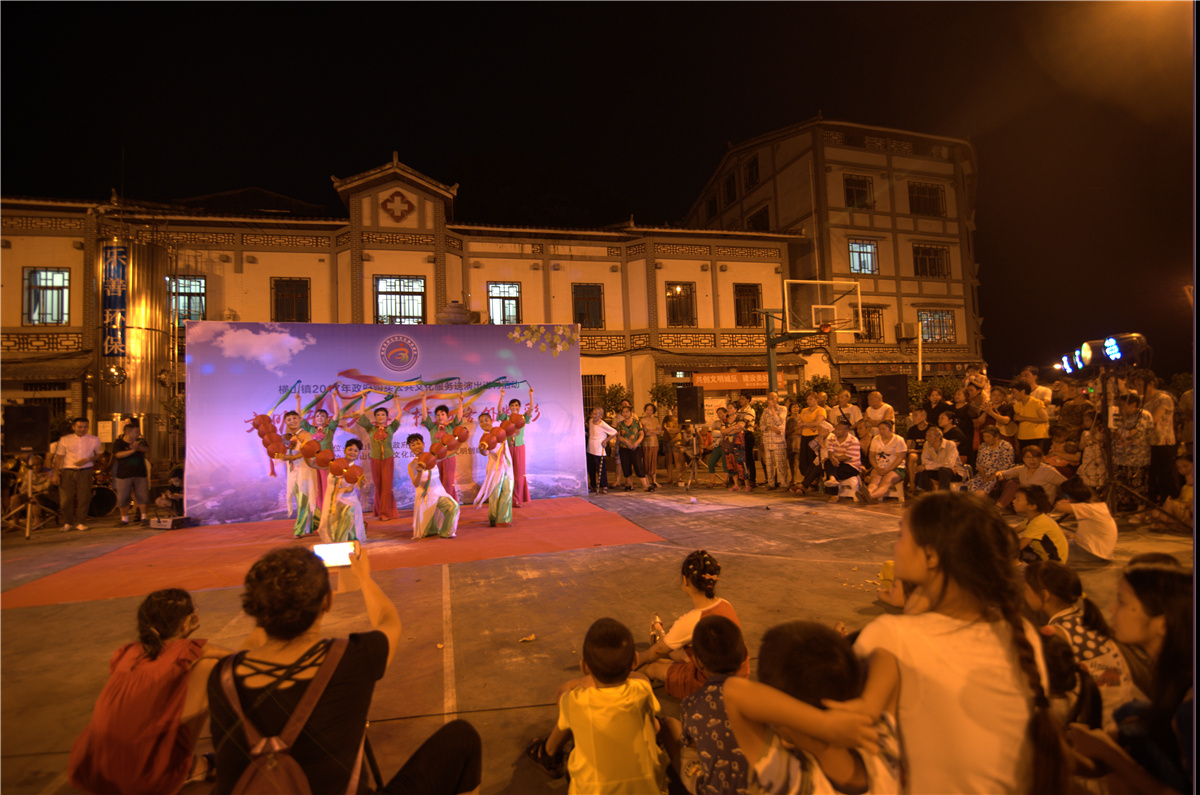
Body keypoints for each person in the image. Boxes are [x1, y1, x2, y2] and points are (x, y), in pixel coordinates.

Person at [207, 546, 481, 795]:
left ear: (257, 608)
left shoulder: (223, 677)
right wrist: (364, 578)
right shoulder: (353, 658)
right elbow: (389, 621)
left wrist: (273, 601)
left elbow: (252, 646)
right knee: (462, 739)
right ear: (327, 602)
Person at [849, 491, 1067, 795]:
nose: (895, 546)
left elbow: (849, 741)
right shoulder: (1022, 633)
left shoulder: (892, 636)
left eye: (901, 535)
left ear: (933, 555)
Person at [68, 589, 231, 795]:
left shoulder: (127, 652)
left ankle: (182, 763)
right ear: (187, 622)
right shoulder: (187, 649)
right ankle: (183, 766)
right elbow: (238, 658)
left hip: (95, 771)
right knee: (211, 669)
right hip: (142, 779)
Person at [725, 621, 899, 795]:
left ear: (781, 726)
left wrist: (825, 725)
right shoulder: (880, 754)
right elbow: (884, 658)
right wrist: (867, 708)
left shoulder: (794, 782)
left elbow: (733, 692)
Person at [1067, 564, 1193, 795]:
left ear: (1162, 623)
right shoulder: (1168, 676)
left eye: (1122, 602)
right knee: (1131, 716)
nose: (1112, 609)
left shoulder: (1190, 706)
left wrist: (1109, 753)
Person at [525, 618, 669, 793]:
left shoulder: (576, 700)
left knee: (572, 723)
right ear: (635, 661)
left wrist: (583, 681)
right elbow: (652, 720)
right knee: (661, 724)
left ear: (584, 667)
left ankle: (549, 753)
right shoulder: (642, 690)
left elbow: (561, 694)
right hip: (650, 790)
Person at [1022, 561, 1138, 732]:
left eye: (1026, 589)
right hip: (1122, 706)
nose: (1023, 594)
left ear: (1044, 595)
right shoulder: (1085, 618)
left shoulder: (1055, 634)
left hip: (1099, 721)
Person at [637, 550, 751, 700]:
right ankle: (661, 635)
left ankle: (659, 635)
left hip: (711, 686)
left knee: (652, 666)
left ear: (686, 581)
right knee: (677, 650)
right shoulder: (725, 604)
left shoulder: (693, 620)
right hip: (739, 675)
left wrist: (634, 660)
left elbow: (657, 652)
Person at [660, 615, 752, 795]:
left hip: (710, 789)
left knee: (669, 726)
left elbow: (691, 746)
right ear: (743, 654)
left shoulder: (692, 702)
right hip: (760, 786)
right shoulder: (760, 697)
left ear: (699, 663)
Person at [51, 416, 104, 532]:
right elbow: (59, 458)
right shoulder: (65, 440)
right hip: (68, 470)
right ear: (73, 427)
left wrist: (88, 459)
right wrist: (55, 474)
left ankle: (81, 521)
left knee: (83, 497)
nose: (82, 429)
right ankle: (67, 522)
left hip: (85, 470)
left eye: (85, 427)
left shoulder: (94, 439)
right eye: (80, 427)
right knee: (66, 498)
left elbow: (99, 454)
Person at [1134, 372, 1179, 506]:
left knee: (1164, 476)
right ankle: (1152, 505)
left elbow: (1153, 419)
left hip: (1162, 442)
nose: (1137, 387)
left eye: (1140, 384)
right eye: (1135, 384)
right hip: (1147, 444)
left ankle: (1169, 506)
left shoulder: (1163, 398)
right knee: (1151, 478)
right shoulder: (1141, 400)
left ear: (1151, 384)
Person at [275, 410, 321, 538]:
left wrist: (291, 458)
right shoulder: (289, 437)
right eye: (289, 420)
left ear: (300, 420)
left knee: (303, 500)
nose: (292, 421)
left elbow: (308, 452)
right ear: (285, 422)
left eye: (294, 418)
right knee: (304, 500)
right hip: (293, 471)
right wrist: (282, 455)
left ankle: (299, 529)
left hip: (305, 470)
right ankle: (323, 522)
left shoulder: (306, 435)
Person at [357, 395, 403, 521]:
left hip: (388, 459)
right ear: (375, 417)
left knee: (387, 486)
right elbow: (361, 414)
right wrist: (364, 399)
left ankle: (385, 513)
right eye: (378, 415)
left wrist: (396, 400)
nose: (380, 417)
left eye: (383, 415)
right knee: (378, 486)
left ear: (387, 417)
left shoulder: (391, 428)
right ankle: (378, 510)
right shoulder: (370, 428)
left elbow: (400, 413)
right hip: (375, 459)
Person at [407, 433, 459, 539]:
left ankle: (445, 532)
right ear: (410, 448)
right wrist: (419, 472)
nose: (416, 446)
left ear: (424, 444)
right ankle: (432, 528)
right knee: (428, 532)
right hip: (424, 496)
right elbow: (416, 484)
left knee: (453, 506)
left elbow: (452, 451)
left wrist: (459, 440)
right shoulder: (412, 465)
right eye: (413, 445)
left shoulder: (432, 457)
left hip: (438, 492)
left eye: (418, 443)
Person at [1053, 477, 1118, 562]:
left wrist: (1065, 500)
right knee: (1061, 537)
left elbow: (1059, 505)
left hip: (1091, 553)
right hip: (1100, 551)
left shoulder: (1087, 508)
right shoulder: (1098, 506)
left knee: (1048, 549)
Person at [421, 391, 465, 505]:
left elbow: (459, 417)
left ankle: (451, 506)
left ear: (447, 416)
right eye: (438, 415)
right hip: (435, 459)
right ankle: (438, 505)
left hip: (450, 457)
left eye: (443, 414)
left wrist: (461, 402)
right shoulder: (432, 427)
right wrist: (423, 399)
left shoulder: (451, 427)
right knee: (437, 482)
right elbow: (425, 416)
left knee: (449, 481)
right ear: (435, 416)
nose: (441, 417)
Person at [1111, 392, 1153, 513]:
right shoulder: (1118, 416)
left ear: (1133, 404)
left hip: (1137, 457)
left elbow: (1133, 433)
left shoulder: (1143, 415)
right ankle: (1123, 507)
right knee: (1120, 483)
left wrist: (1119, 435)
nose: (1120, 408)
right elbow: (1112, 433)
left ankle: (1140, 510)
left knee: (1138, 485)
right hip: (1119, 457)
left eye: (1123, 405)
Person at [319, 439, 366, 544]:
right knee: (328, 522)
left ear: (359, 453)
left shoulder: (356, 470)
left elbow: (350, 489)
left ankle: (342, 540)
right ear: (344, 450)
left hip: (348, 500)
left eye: (356, 451)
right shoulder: (335, 464)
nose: (352, 452)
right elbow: (315, 465)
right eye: (350, 449)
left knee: (348, 513)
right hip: (331, 499)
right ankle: (336, 539)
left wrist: (360, 484)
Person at [994, 445, 1067, 509]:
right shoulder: (1021, 469)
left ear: (1040, 458)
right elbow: (1002, 473)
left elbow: (1066, 484)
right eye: (1028, 457)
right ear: (1023, 459)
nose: (1032, 460)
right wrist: (999, 474)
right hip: (1027, 501)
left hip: (1042, 503)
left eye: (1035, 457)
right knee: (1012, 484)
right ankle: (998, 508)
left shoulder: (1048, 470)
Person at [807, 419, 862, 503]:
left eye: (839, 430)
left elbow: (847, 456)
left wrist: (832, 459)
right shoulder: (833, 438)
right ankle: (833, 480)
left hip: (851, 466)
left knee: (829, 466)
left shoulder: (853, 440)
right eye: (836, 429)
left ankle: (833, 488)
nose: (836, 431)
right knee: (827, 463)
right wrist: (832, 458)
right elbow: (830, 450)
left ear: (847, 431)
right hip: (836, 464)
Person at [498, 386, 536, 506]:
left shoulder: (523, 418)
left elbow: (531, 409)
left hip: (519, 447)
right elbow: (499, 411)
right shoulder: (506, 418)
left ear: (519, 407)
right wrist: (502, 396)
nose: (514, 407)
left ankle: (517, 499)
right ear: (509, 408)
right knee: (508, 473)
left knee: (519, 474)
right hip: (508, 448)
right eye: (512, 406)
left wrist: (531, 394)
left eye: (516, 406)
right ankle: (507, 498)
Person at [1013, 486, 1069, 564]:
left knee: (1011, 554)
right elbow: (1013, 531)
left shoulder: (1038, 522)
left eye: (1018, 500)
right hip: (1045, 555)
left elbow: (1020, 546)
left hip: (1052, 562)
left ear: (1032, 506)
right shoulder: (1034, 517)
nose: (1014, 501)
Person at [112, 419, 151, 526]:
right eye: (136, 432)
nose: (139, 434)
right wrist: (132, 451)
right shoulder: (119, 442)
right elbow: (118, 455)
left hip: (140, 473)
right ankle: (124, 519)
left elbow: (147, 449)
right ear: (128, 432)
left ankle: (144, 517)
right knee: (123, 497)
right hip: (124, 474)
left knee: (142, 495)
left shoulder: (140, 440)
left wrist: (138, 447)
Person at [860, 420, 906, 504]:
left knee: (885, 483)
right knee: (874, 481)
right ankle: (867, 493)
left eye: (883, 429)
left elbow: (900, 457)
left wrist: (889, 469)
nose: (881, 431)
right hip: (879, 466)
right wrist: (877, 467)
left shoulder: (899, 440)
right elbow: (872, 455)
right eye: (879, 429)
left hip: (896, 468)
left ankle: (869, 496)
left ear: (891, 429)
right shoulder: (876, 439)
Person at [962, 426, 1014, 496]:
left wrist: (990, 477)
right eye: (984, 437)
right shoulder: (983, 446)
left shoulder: (1006, 446)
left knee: (982, 492)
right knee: (973, 486)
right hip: (983, 475)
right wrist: (984, 476)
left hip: (998, 476)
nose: (985, 439)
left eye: (988, 437)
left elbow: (1006, 466)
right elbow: (979, 464)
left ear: (996, 437)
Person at [614, 404, 653, 493]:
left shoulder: (637, 422)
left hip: (636, 448)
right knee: (626, 466)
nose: (625, 413)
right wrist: (626, 441)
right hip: (624, 448)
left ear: (631, 413)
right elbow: (618, 437)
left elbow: (641, 434)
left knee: (638, 465)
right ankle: (629, 485)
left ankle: (645, 486)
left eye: (627, 411)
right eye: (623, 412)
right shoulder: (620, 424)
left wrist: (636, 443)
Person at [915, 426, 966, 492]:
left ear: (938, 437)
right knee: (924, 471)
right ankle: (927, 494)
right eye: (926, 436)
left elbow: (949, 464)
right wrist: (939, 465)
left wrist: (928, 466)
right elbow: (925, 461)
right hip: (936, 470)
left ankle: (943, 495)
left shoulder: (950, 444)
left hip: (955, 472)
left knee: (943, 470)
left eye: (929, 436)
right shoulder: (927, 444)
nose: (926, 438)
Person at [759, 391, 789, 490]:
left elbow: (779, 421)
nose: (770, 400)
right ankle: (771, 483)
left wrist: (772, 411)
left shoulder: (782, 409)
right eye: (769, 398)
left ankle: (784, 484)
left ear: (777, 399)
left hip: (778, 442)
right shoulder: (765, 411)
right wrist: (770, 428)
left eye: (772, 398)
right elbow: (761, 425)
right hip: (767, 441)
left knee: (780, 464)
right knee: (769, 465)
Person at [796, 392, 827, 488]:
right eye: (807, 399)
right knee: (803, 459)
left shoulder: (821, 410)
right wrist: (808, 425)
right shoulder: (804, 410)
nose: (808, 401)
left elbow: (817, 423)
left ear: (816, 399)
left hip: (815, 436)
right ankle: (807, 478)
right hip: (804, 436)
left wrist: (805, 425)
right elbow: (799, 423)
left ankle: (815, 479)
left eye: (811, 399)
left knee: (813, 458)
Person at [1011, 381, 1051, 453]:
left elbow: (1044, 418)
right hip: (1022, 437)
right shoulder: (1016, 406)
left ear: (1022, 391)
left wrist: (1024, 418)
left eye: (1014, 392)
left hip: (1037, 436)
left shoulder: (1037, 402)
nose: (1013, 395)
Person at [586, 405, 618, 494]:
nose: (594, 415)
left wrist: (606, 440)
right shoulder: (590, 421)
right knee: (591, 468)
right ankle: (593, 485)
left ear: (601, 415)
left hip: (599, 449)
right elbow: (591, 433)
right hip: (590, 448)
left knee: (600, 468)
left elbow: (615, 432)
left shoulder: (603, 424)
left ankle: (604, 486)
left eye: (596, 414)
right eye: (593, 413)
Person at [903, 407, 931, 490]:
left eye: (916, 416)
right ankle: (912, 484)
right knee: (911, 457)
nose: (913, 418)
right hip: (917, 453)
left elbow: (932, 448)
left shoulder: (931, 428)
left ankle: (914, 485)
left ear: (924, 417)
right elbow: (908, 446)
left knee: (912, 457)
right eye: (913, 416)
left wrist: (916, 450)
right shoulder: (912, 429)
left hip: (929, 453)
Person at [640, 403, 664, 488]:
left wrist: (652, 432)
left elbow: (659, 431)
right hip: (646, 444)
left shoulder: (656, 420)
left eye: (651, 410)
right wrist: (654, 432)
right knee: (646, 461)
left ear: (653, 411)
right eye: (647, 410)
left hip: (655, 443)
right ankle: (646, 481)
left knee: (654, 461)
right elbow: (645, 433)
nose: (649, 411)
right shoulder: (642, 420)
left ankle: (654, 480)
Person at [737, 396, 758, 489]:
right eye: (740, 399)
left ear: (748, 400)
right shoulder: (738, 410)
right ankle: (742, 478)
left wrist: (739, 420)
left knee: (749, 458)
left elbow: (744, 422)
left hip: (748, 435)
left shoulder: (751, 410)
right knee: (740, 458)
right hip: (739, 435)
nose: (741, 400)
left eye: (743, 398)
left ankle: (752, 479)